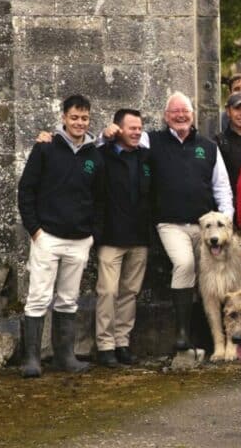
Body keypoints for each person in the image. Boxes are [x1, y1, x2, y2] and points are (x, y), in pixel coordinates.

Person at [104, 92, 234, 353]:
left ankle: (212, 339)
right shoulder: (152, 140)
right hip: (170, 223)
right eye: (174, 112)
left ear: (193, 114)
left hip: (205, 226)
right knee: (185, 264)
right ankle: (182, 335)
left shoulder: (208, 146)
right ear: (166, 116)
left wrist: (226, 220)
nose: (180, 116)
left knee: (210, 278)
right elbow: (123, 139)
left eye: (185, 111)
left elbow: (222, 188)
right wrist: (106, 133)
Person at [18, 95, 104, 377]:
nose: (80, 123)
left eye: (84, 118)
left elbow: (100, 198)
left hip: (79, 240)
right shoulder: (46, 148)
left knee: (68, 299)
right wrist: (35, 230)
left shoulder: (94, 155)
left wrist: (92, 233)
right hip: (48, 237)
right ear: (64, 118)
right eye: (74, 117)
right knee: (38, 297)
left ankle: (65, 357)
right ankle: (31, 359)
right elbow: (26, 190)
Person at [93, 108, 151, 368]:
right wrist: (101, 138)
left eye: (139, 128)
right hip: (111, 237)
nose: (137, 132)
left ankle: (122, 343)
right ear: (117, 129)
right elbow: (87, 155)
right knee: (107, 292)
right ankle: (105, 346)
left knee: (130, 293)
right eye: (131, 128)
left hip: (139, 237)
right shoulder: (103, 155)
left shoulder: (146, 158)